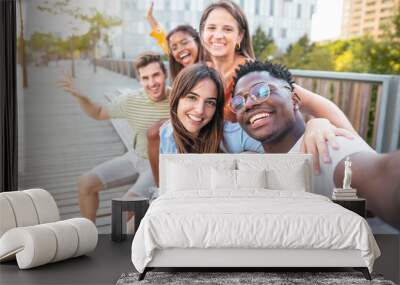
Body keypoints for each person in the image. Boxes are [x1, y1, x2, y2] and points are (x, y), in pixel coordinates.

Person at [231, 60, 400, 229]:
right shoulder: (263, 162)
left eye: (261, 91)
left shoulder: (326, 147)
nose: (248, 104)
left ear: (295, 99)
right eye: (238, 102)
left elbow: (380, 174)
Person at [153, 63, 352, 185]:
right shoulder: (167, 133)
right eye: (191, 98)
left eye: (210, 102)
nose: (199, 110)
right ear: (176, 98)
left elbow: (291, 155)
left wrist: (316, 124)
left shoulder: (236, 135)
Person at [57, 52, 170, 222]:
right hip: (134, 157)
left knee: (124, 210)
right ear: (139, 80)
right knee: (85, 183)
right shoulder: (131, 100)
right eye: (145, 78)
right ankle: (89, 237)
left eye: (156, 75)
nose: (152, 83)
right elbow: (99, 112)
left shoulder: (178, 99)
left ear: (165, 74)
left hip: (158, 166)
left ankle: (122, 247)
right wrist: (82, 97)